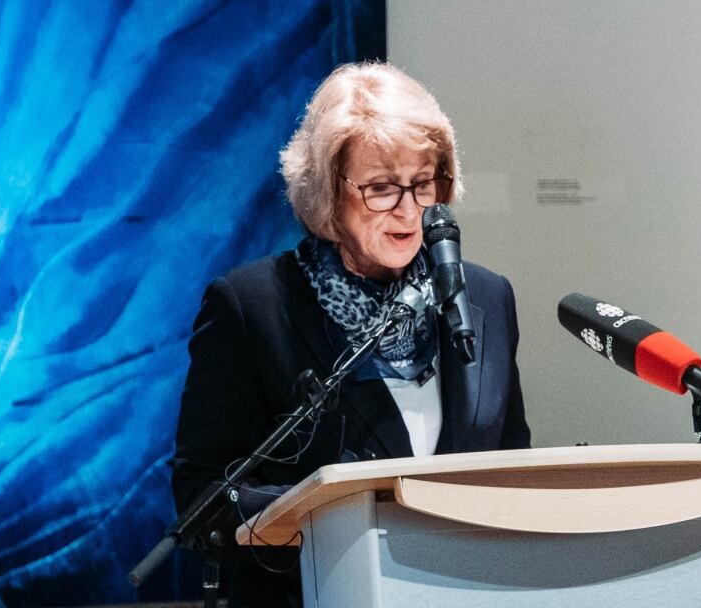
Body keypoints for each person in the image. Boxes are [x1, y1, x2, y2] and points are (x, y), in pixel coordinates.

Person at [171, 62, 531, 607]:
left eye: (424, 181)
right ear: (327, 191)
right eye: (381, 188)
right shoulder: (252, 307)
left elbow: (511, 462)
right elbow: (203, 499)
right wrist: (336, 513)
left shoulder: (485, 298)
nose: (410, 210)